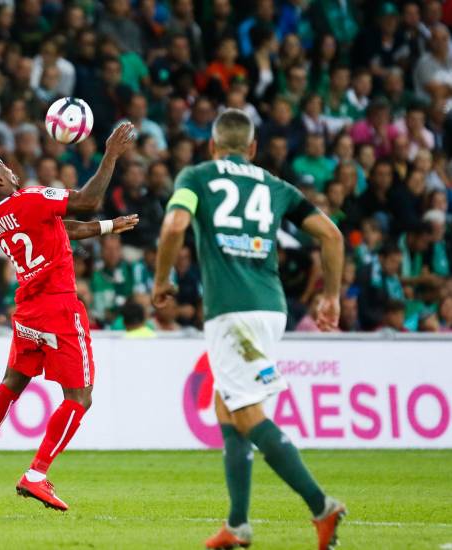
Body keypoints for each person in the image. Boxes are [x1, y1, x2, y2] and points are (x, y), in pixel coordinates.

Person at [152, 109, 346, 549]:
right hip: (270, 305)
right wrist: (330, 296)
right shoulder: (275, 186)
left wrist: (163, 279)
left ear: (212, 145)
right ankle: (237, 526)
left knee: (246, 412)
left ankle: (322, 506)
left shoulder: (197, 176)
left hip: (232, 310)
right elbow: (331, 236)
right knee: (227, 407)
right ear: (253, 148)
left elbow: (174, 225)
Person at [0, 122, 136, 511]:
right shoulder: (33, 197)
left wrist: (106, 227)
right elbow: (87, 199)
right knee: (80, 397)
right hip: (58, 307)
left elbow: (60, 227)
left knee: (11, 383)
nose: (11, 168)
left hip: (28, 311)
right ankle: (36, 475)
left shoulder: (1, 218)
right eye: (4, 166)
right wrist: (110, 154)